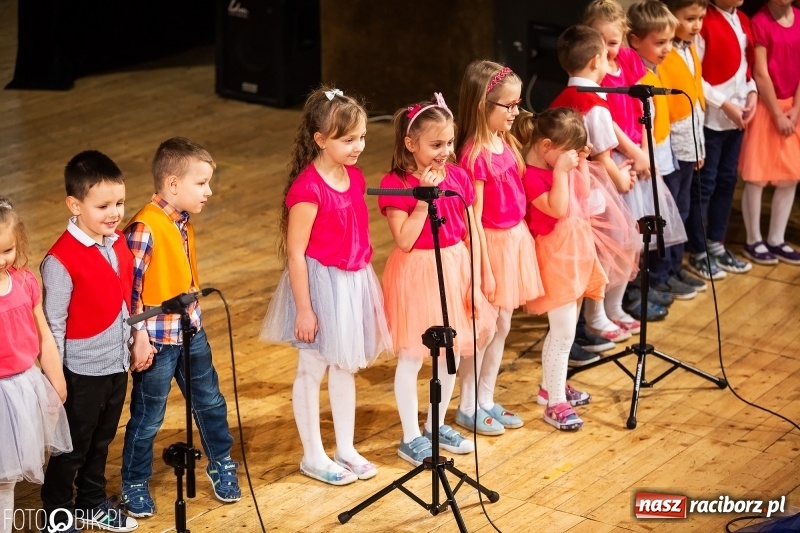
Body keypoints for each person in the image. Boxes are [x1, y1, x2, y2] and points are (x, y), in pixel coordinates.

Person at [260, 87, 392, 486]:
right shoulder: (308, 189)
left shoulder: (353, 176)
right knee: (311, 367)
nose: (358, 147)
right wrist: (305, 308)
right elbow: (296, 254)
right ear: (320, 140)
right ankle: (313, 456)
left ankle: (346, 448)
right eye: (347, 139)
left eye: (362, 137)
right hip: (320, 286)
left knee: (345, 365)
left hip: (352, 281)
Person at [121, 137, 240, 517]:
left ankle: (221, 462)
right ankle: (134, 481)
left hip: (190, 332)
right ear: (173, 185)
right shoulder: (144, 227)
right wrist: (138, 337)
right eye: (201, 183)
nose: (209, 191)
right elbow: (131, 292)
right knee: (148, 416)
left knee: (210, 401)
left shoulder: (181, 222)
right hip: (157, 342)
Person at [379, 92, 496, 465]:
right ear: (410, 144)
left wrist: (479, 278)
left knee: (450, 355)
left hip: (455, 268)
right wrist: (423, 200)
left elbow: (469, 231)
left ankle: (435, 423)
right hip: (418, 273)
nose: (445, 151)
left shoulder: (459, 175)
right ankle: (410, 435)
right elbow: (405, 239)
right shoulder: (395, 182)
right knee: (414, 356)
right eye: (435, 144)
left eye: (448, 142)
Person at [40, 152, 138, 533]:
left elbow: (127, 296)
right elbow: (53, 326)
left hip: (116, 364)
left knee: (102, 440)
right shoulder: (60, 260)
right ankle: (57, 513)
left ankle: (92, 502)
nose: (114, 213)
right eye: (103, 206)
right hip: (79, 373)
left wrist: (135, 340)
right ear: (74, 205)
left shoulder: (116, 243)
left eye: (119, 203)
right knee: (73, 447)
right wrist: (57, 380)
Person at [453, 60, 544, 436]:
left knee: (503, 323)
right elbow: (473, 218)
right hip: (489, 246)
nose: (516, 111)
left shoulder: (506, 142)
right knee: (483, 329)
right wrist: (483, 267)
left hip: (513, 240)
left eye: (518, 103)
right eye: (508, 106)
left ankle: (486, 398)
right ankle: (467, 404)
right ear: (482, 106)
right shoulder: (474, 155)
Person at [513, 107, 608, 430]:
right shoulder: (530, 175)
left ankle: (551, 385)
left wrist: (576, 165)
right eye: (566, 151)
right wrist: (561, 173)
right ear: (546, 147)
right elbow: (557, 207)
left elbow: (581, 196)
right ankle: (555, 403)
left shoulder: (558, 169)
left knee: (567, 326)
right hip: (554, 255)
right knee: (564, 329)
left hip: (575, 250)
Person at [550, 25, 641, 344]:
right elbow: (602, 154)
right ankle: (598, 316)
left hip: (567, 185)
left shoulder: (564, 96)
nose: (607, 64)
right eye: (605, 58)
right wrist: (622, 180)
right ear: (594, 61)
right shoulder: (594, 103)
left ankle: (600, 314)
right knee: (607, 250)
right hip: (589, 189)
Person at [0, 197, 71, 533]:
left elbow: (43, 337)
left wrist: (55, 380)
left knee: (6, 477)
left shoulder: (26, 283)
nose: (1, 260)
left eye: (7, 251)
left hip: (22, 390)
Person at [625, 1, 694, 301]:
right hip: (648, 162)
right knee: (648, 226)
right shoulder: (636, 76)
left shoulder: (656, 69)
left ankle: (665, 273)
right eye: (660, 42)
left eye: (669, 41)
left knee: (671, 216)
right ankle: (648, 283)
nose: (667, 48)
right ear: (635, 41)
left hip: (665, 156)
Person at [687, 0, 757, 278]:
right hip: (712, 117)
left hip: (737, 116)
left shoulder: (742, 19)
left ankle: (716, 242)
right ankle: (698, 249)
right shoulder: (705, 21)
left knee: (727, 181)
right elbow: (696, 76)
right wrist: (724, 104)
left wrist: (752, 93)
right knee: (705, 184)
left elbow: (745, 68)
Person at [650, 0, 711, 296]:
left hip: (691, 146)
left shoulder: (691, 48)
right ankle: (660, 273)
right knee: (668, 213)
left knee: (683, 210)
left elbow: (695, 98)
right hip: (671, 149)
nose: (697, 25)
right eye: (690, 18)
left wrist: (698, 148)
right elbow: (667, 110)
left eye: (701, 18)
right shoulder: (666, 55)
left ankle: (675, 266)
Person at [739, 0, 800, 265]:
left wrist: (797, 108)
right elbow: (761, 73)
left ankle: (777, 238)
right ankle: (754, 239)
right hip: (767, 106)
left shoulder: (799, 17)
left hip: (794, 108)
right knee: (757, 177)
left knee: (790, 176)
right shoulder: (760, 23)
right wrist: (776, 113)